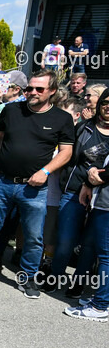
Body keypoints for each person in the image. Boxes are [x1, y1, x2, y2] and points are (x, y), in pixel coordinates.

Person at [0, 70, 76, 297]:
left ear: (52, 91)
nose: (32, 92)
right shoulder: (12, 110)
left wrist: (45, 171)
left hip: (34, 188)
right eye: (29, 88)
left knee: (34, 237)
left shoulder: (62, 118)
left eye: (39, 89)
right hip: (2, 182)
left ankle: (27, 278)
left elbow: (66, 152)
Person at [47, 89, 109, 293]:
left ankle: (78, 285)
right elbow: (69, 155)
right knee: (65, 241)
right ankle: (55, 277)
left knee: (90, 246)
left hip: (102, 198)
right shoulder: (84, 127)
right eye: (105, 102)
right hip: (73, 192)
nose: (108, 106)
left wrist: (94, 181)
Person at [64, 148, 109, 320]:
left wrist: (96, 178)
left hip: (106, 205)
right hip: (102, 203)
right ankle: (102, 299)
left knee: (106, 256)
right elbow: (100, 157)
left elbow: (103, 173)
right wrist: (92, 173)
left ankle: (100, 307)